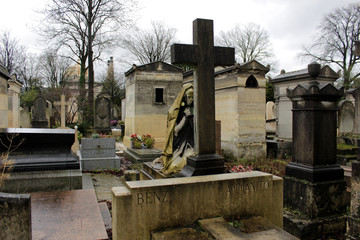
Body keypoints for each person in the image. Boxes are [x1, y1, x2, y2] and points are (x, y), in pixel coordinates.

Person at [152, 83, 195, 175]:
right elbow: (175, 131)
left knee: (185, 162)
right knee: (174, 166)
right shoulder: (175, 112)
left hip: (191, 144)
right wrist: (185, 118)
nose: (191, 100)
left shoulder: (194, 109)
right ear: (184, 97)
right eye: (189, 97)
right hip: (179, 145)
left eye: (192, 97)